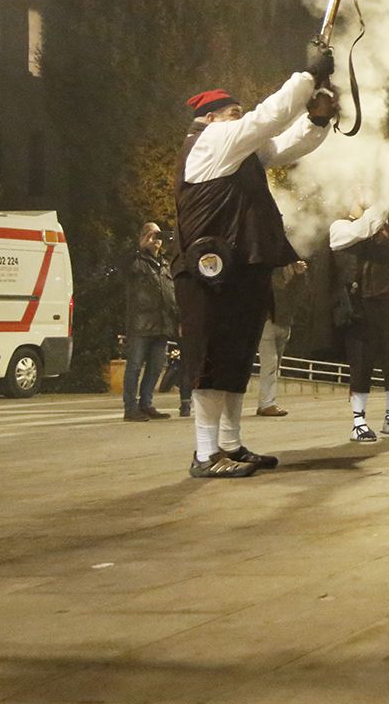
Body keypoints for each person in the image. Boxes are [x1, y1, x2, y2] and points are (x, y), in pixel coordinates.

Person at [173, 54, 335, 480]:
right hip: (211, 273)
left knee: (234, 359)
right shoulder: (211, 141)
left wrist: (316, 121)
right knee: (211, 362)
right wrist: (308, 76)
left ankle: (229, 444)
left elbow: (280, 147)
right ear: (210, 119)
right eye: (232, 113)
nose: (238, 119)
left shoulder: (233, 148)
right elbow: (268, 120)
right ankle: (206, 454)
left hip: (236, 269)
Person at [331, 203, 389, 441]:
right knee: (361, 363)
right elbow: (364, 228)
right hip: (360, 305)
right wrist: (385, 197)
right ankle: (358, 421)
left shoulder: (381, 224)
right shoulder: (341, 226)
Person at [122, 222, 176, 421]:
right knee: (134, 367)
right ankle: (130, 408)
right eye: (152, 235)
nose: (156, 240)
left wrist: (177, 318)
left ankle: (146, 404)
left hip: (162, 325)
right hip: (141, 324)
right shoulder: (137, 261)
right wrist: (140, 247)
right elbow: (124, 265)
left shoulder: (165, 263)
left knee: (155, 367)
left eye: (158, 236)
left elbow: (170, 293)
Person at [255, 257, 308, 418]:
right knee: (270, 362)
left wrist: (300, 275)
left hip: (284, 320)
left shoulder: (293, 266)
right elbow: (278, 290)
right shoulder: (268, 266)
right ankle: (267, 404)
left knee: (275, 364)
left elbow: (302, 295)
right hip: (267, 319)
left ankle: (266, 402)